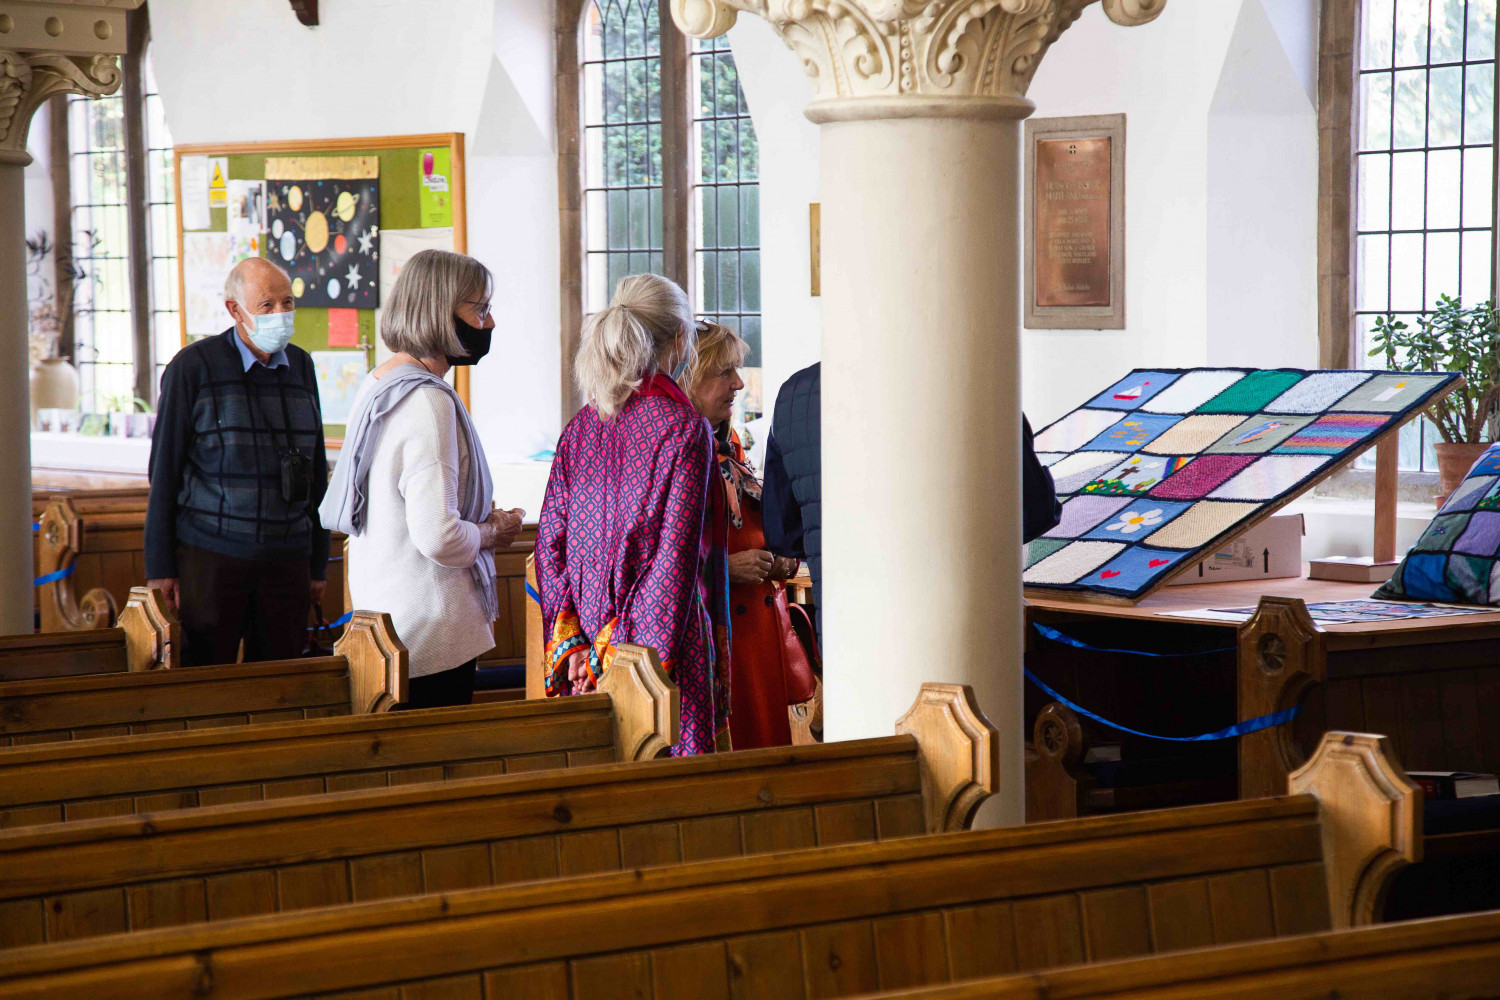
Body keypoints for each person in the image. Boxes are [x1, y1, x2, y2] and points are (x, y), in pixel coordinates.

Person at [320, 250, 524, 709]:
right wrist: (494, 531)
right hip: (429, 630)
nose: (489, 324)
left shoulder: (379, 383)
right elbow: (439, 537)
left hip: (385, 621)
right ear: (439, 310)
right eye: (480, 309)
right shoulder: (428, 402)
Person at [537, 274, 729, 755]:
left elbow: (549, 544)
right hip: (660, 656)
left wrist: (578, 646)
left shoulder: (580, 428)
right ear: (681, 340)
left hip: (584, 653)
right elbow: (674, 561)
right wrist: (627, 658)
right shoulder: (684, 429)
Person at [761, 364, 1061, 640]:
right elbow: (1034, 512)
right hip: (951, 629)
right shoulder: (971, 375)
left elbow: (783, 534)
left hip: (846, 631)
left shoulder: (793, 393)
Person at [145, 257, 329, 667]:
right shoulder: (193, 367)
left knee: (280, 682)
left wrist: (318, 564)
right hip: (212, 557)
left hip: (288, 560)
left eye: (287, 302)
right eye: (267, 305)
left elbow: (316, 473)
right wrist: (160, 569)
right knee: (206, 678)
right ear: (235, 310)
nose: (281, 314)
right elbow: (165, 473)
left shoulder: (302, 366)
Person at [682, 324, 801, 749]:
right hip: (720, 636)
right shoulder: (675, 454)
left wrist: (783, 555)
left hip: (759, 633)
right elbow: (648, 559)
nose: (738, 382)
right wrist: (726, 570)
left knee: (769, 751)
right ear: (686, 377)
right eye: (724, 372)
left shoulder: (730, 442)